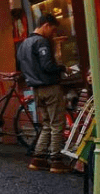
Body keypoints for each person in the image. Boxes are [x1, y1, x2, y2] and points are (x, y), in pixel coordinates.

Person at [16, 13, 71, 173]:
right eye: (53, 30)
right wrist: (62, 68)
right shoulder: (41, 42)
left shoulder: (24, 44)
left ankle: (38, 158)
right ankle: (56, 160)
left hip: (36, 89)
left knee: (46, 124)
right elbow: (47, 66)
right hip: (50, 87)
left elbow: (22, 66)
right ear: (46, 25)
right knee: (56, 124)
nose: (53, 33)